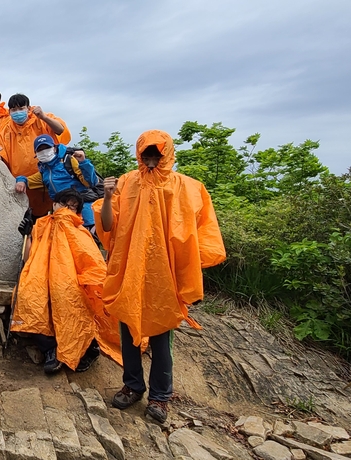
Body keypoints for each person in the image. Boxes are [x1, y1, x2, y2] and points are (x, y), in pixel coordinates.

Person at [98, 129, 226, 424]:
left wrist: (187, 272)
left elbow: (198, 232)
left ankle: (160, 396)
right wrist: (106, 197)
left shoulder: (186, 187)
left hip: (164, 278)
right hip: (129, 272)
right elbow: (107, 226)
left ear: (167, 153)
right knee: (129, 332)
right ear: (140, 154)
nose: (152, 159)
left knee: (160, 336)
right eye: (147, 153)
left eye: (157, 153)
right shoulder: (127, 183)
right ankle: (132, 386)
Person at [13, 189, 122, 374]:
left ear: (77, 212)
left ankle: (86, 348)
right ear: (55, 204)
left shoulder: (80, 231)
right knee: (27, 298)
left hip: (71, 281)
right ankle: (50, 349)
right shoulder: (41, 225)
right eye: (64, 204)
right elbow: (28, 258)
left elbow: (91, 263)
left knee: (71, 300)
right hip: (41, 277)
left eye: (72, 207)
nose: (67, 210)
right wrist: (27, 234)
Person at [0, 93, 70, 217]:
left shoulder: (42, 118)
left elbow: (61, 131)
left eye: (21, 108)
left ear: (28, 108)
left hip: (50, 178)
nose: (17, 112)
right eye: (13, 110)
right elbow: (1, 158)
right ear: (9, 112)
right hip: (22, 186)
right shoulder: (6, 130)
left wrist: (44, 117)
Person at [14, 134, 99, 229]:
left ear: (54, 148)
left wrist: (83, 162)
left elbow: (91, 182)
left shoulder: (69, 160)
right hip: (61, 212)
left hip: (82, 209)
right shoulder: (44, 172)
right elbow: (28, 180)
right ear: (36, 153)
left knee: (88, 239)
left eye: (47, 147)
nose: (44, 151)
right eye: (40, 149)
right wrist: (21, 180)